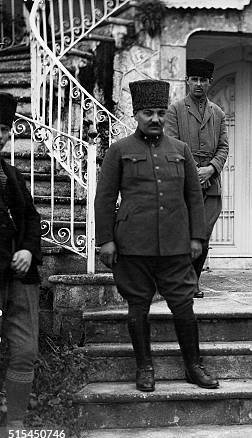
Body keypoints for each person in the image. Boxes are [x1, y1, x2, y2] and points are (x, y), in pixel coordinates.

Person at [94, 79, 219, 392]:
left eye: (161, 112)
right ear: (136, 114)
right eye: (148, 112)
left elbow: (194, 196)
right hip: (133, 245)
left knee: (184, 306)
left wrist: (196, 238)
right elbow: (105, 198)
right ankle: (145, 367)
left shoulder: (181, 150)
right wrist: (105, 240)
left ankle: (193, 366)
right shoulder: (119, 151)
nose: (155, 119)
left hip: (176, 246)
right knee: (138, 306)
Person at [0, 93, 45, 438]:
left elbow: (31, 217)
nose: (0, 135)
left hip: (20, 276)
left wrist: (29, 249)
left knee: (25, 349)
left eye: (3, 129)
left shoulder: (10, 173)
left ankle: (14, 426)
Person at [166, 58, 228, 296]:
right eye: (194, 79)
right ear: (187, 81)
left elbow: (223, 147)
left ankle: (194, 281)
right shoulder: (175, 110)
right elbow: (172, 144)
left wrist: (211, 168)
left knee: (202, 236)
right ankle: (179, 280)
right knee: (183, 234)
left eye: (203, 80)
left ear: (210, 82)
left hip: (211, 184)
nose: (199, 84)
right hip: (183, 181)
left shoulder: (218, 113)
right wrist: (194, 172)